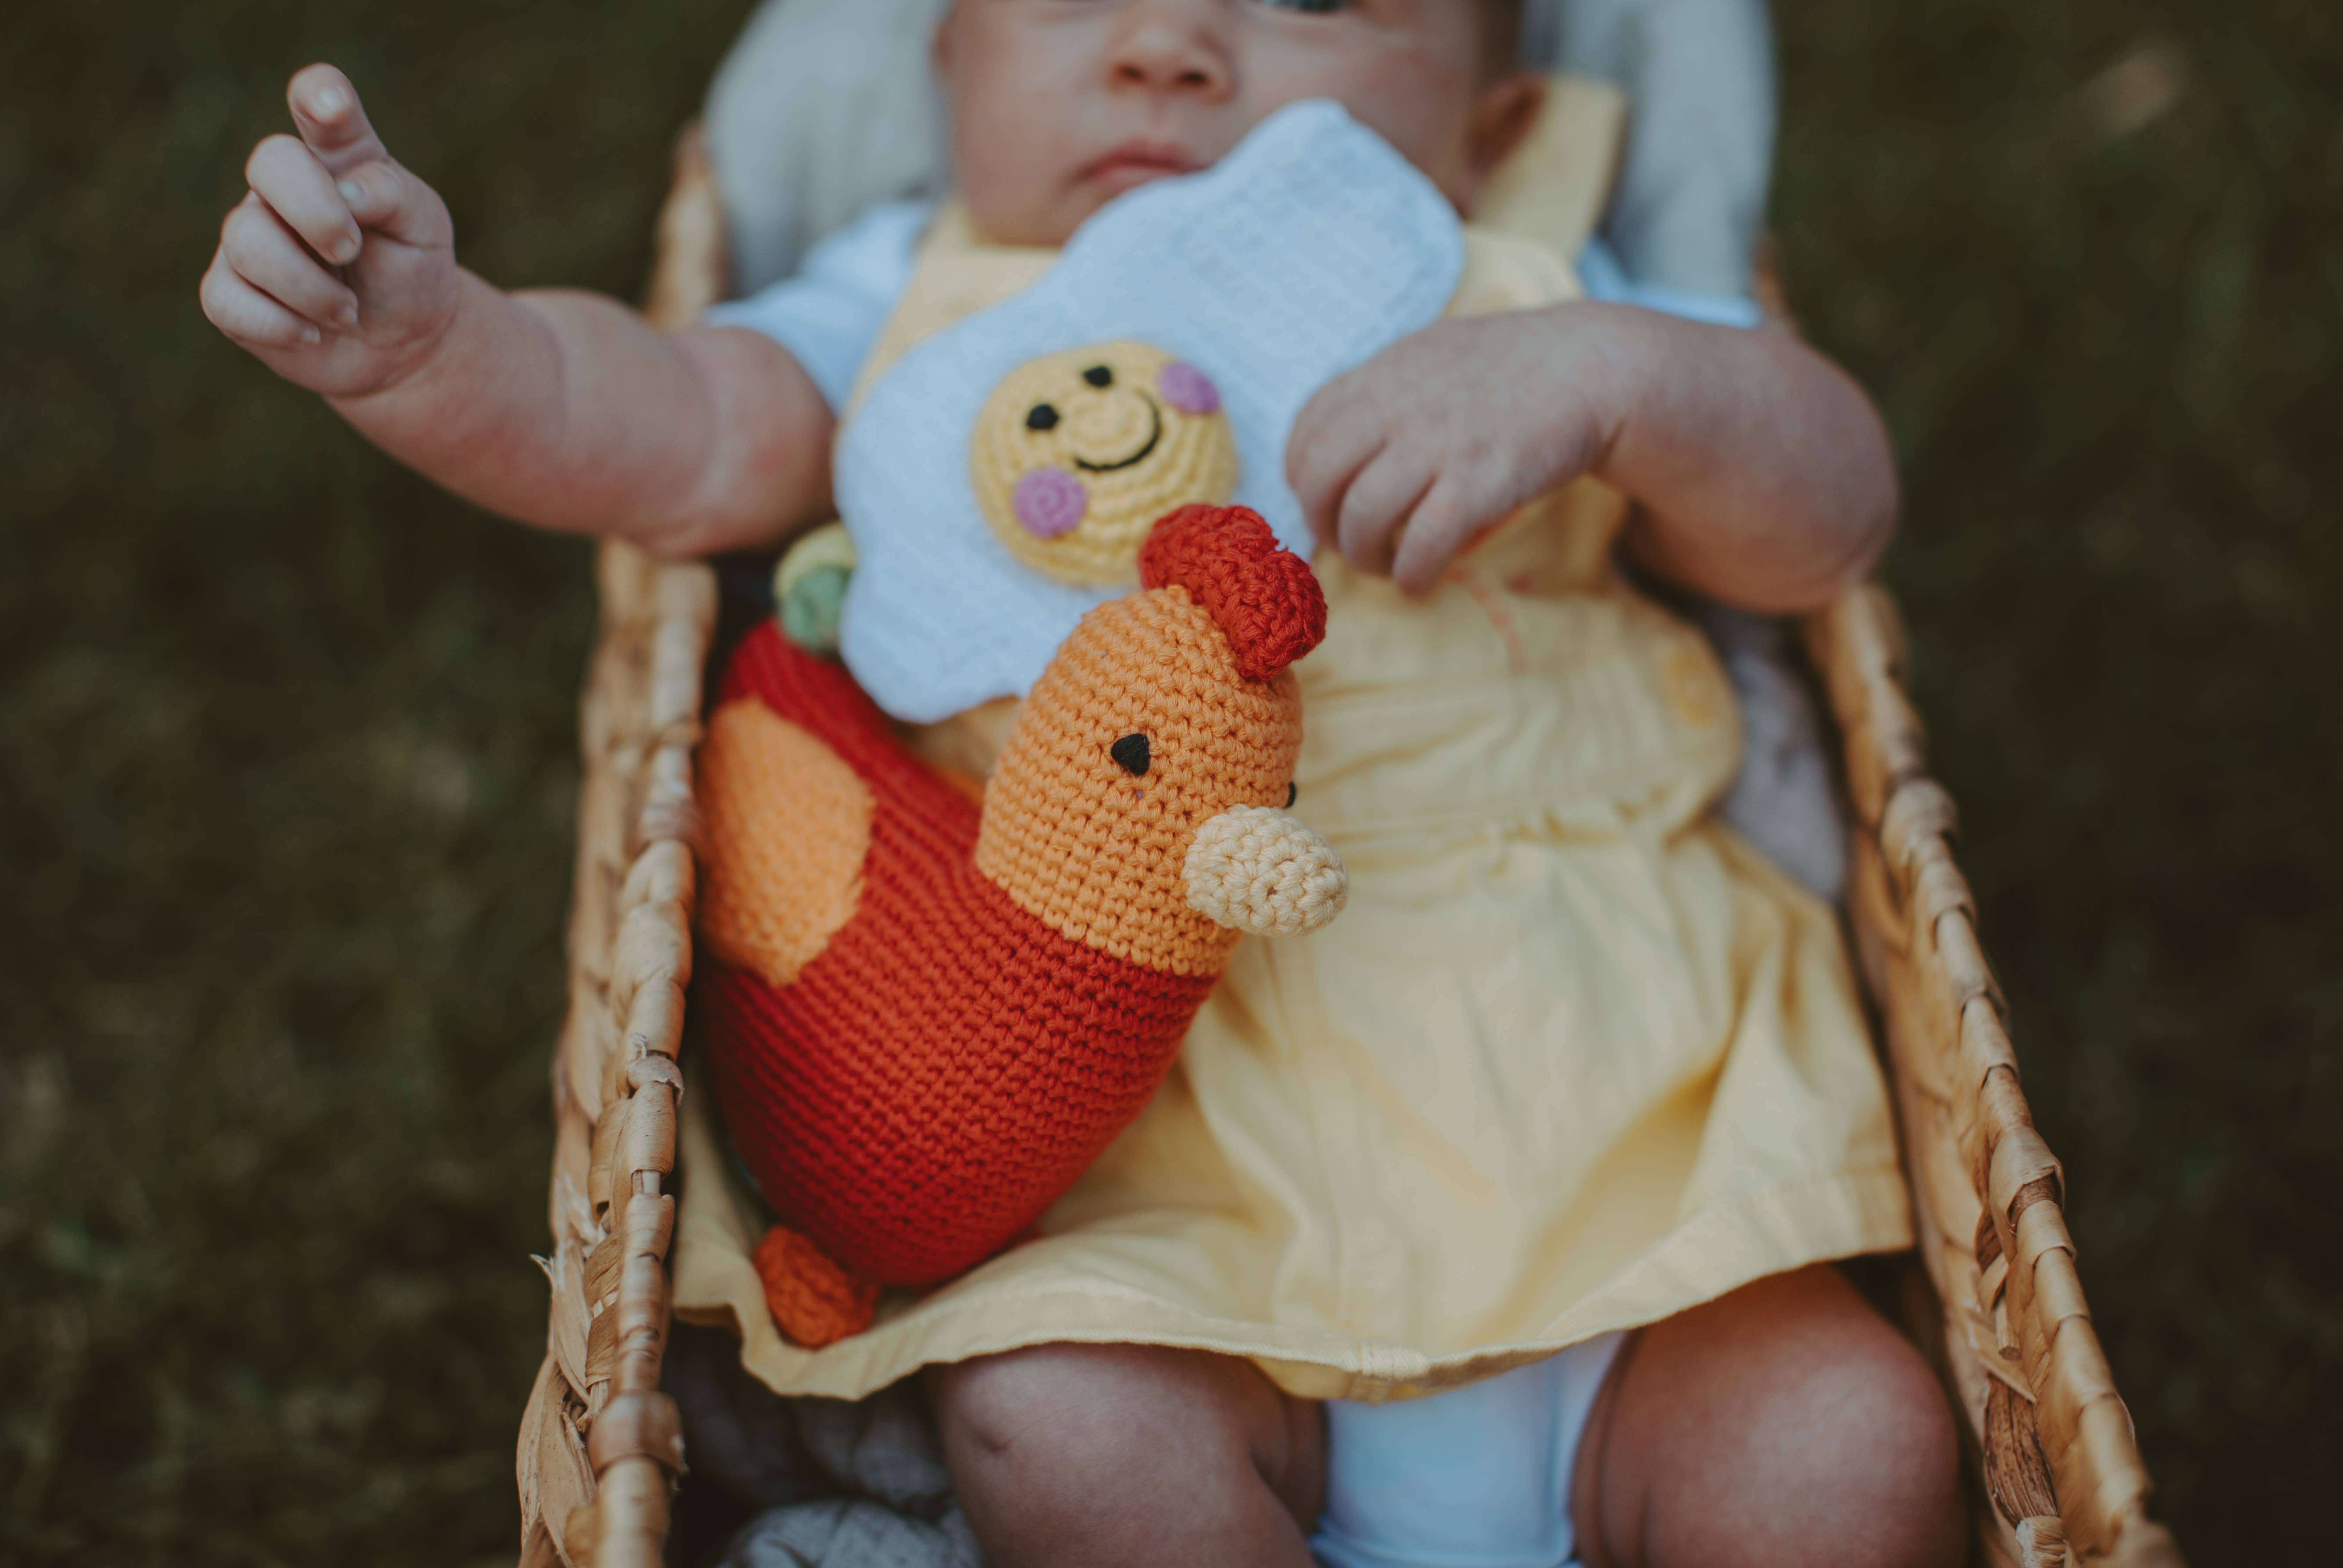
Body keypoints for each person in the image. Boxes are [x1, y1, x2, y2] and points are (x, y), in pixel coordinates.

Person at [201, 3, 1964, 1564]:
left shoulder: (1533, 273)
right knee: (1058, 1418)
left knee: (1851, 1444)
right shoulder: (915, 304)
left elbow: (1826, 526)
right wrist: (442, 352)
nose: (1166, 43)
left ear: (1491, 127)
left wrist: (1625, 381)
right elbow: (667, 424)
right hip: (1165, 1242)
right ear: (947, 60)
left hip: (1640, 1190)